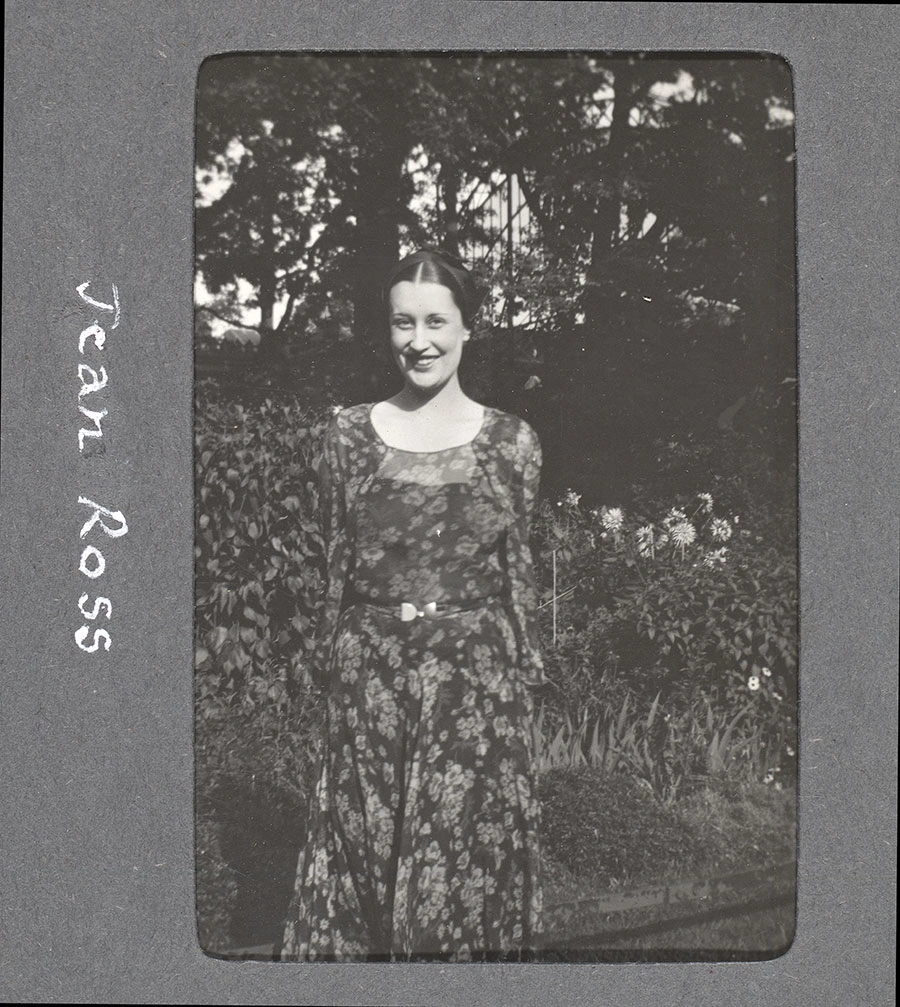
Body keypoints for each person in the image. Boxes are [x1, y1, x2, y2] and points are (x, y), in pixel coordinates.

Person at [281, 248, 544, 962]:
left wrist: (520, 686)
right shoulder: (344, 437)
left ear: (467, 329)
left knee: (458, 865)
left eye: (435, 321)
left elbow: (516, 573)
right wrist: (332, 670)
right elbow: (335, 560)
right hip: (371, 684)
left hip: (472, 691)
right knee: (362, 853)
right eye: (404, 322)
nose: (418, 340)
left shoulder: (513, 443)